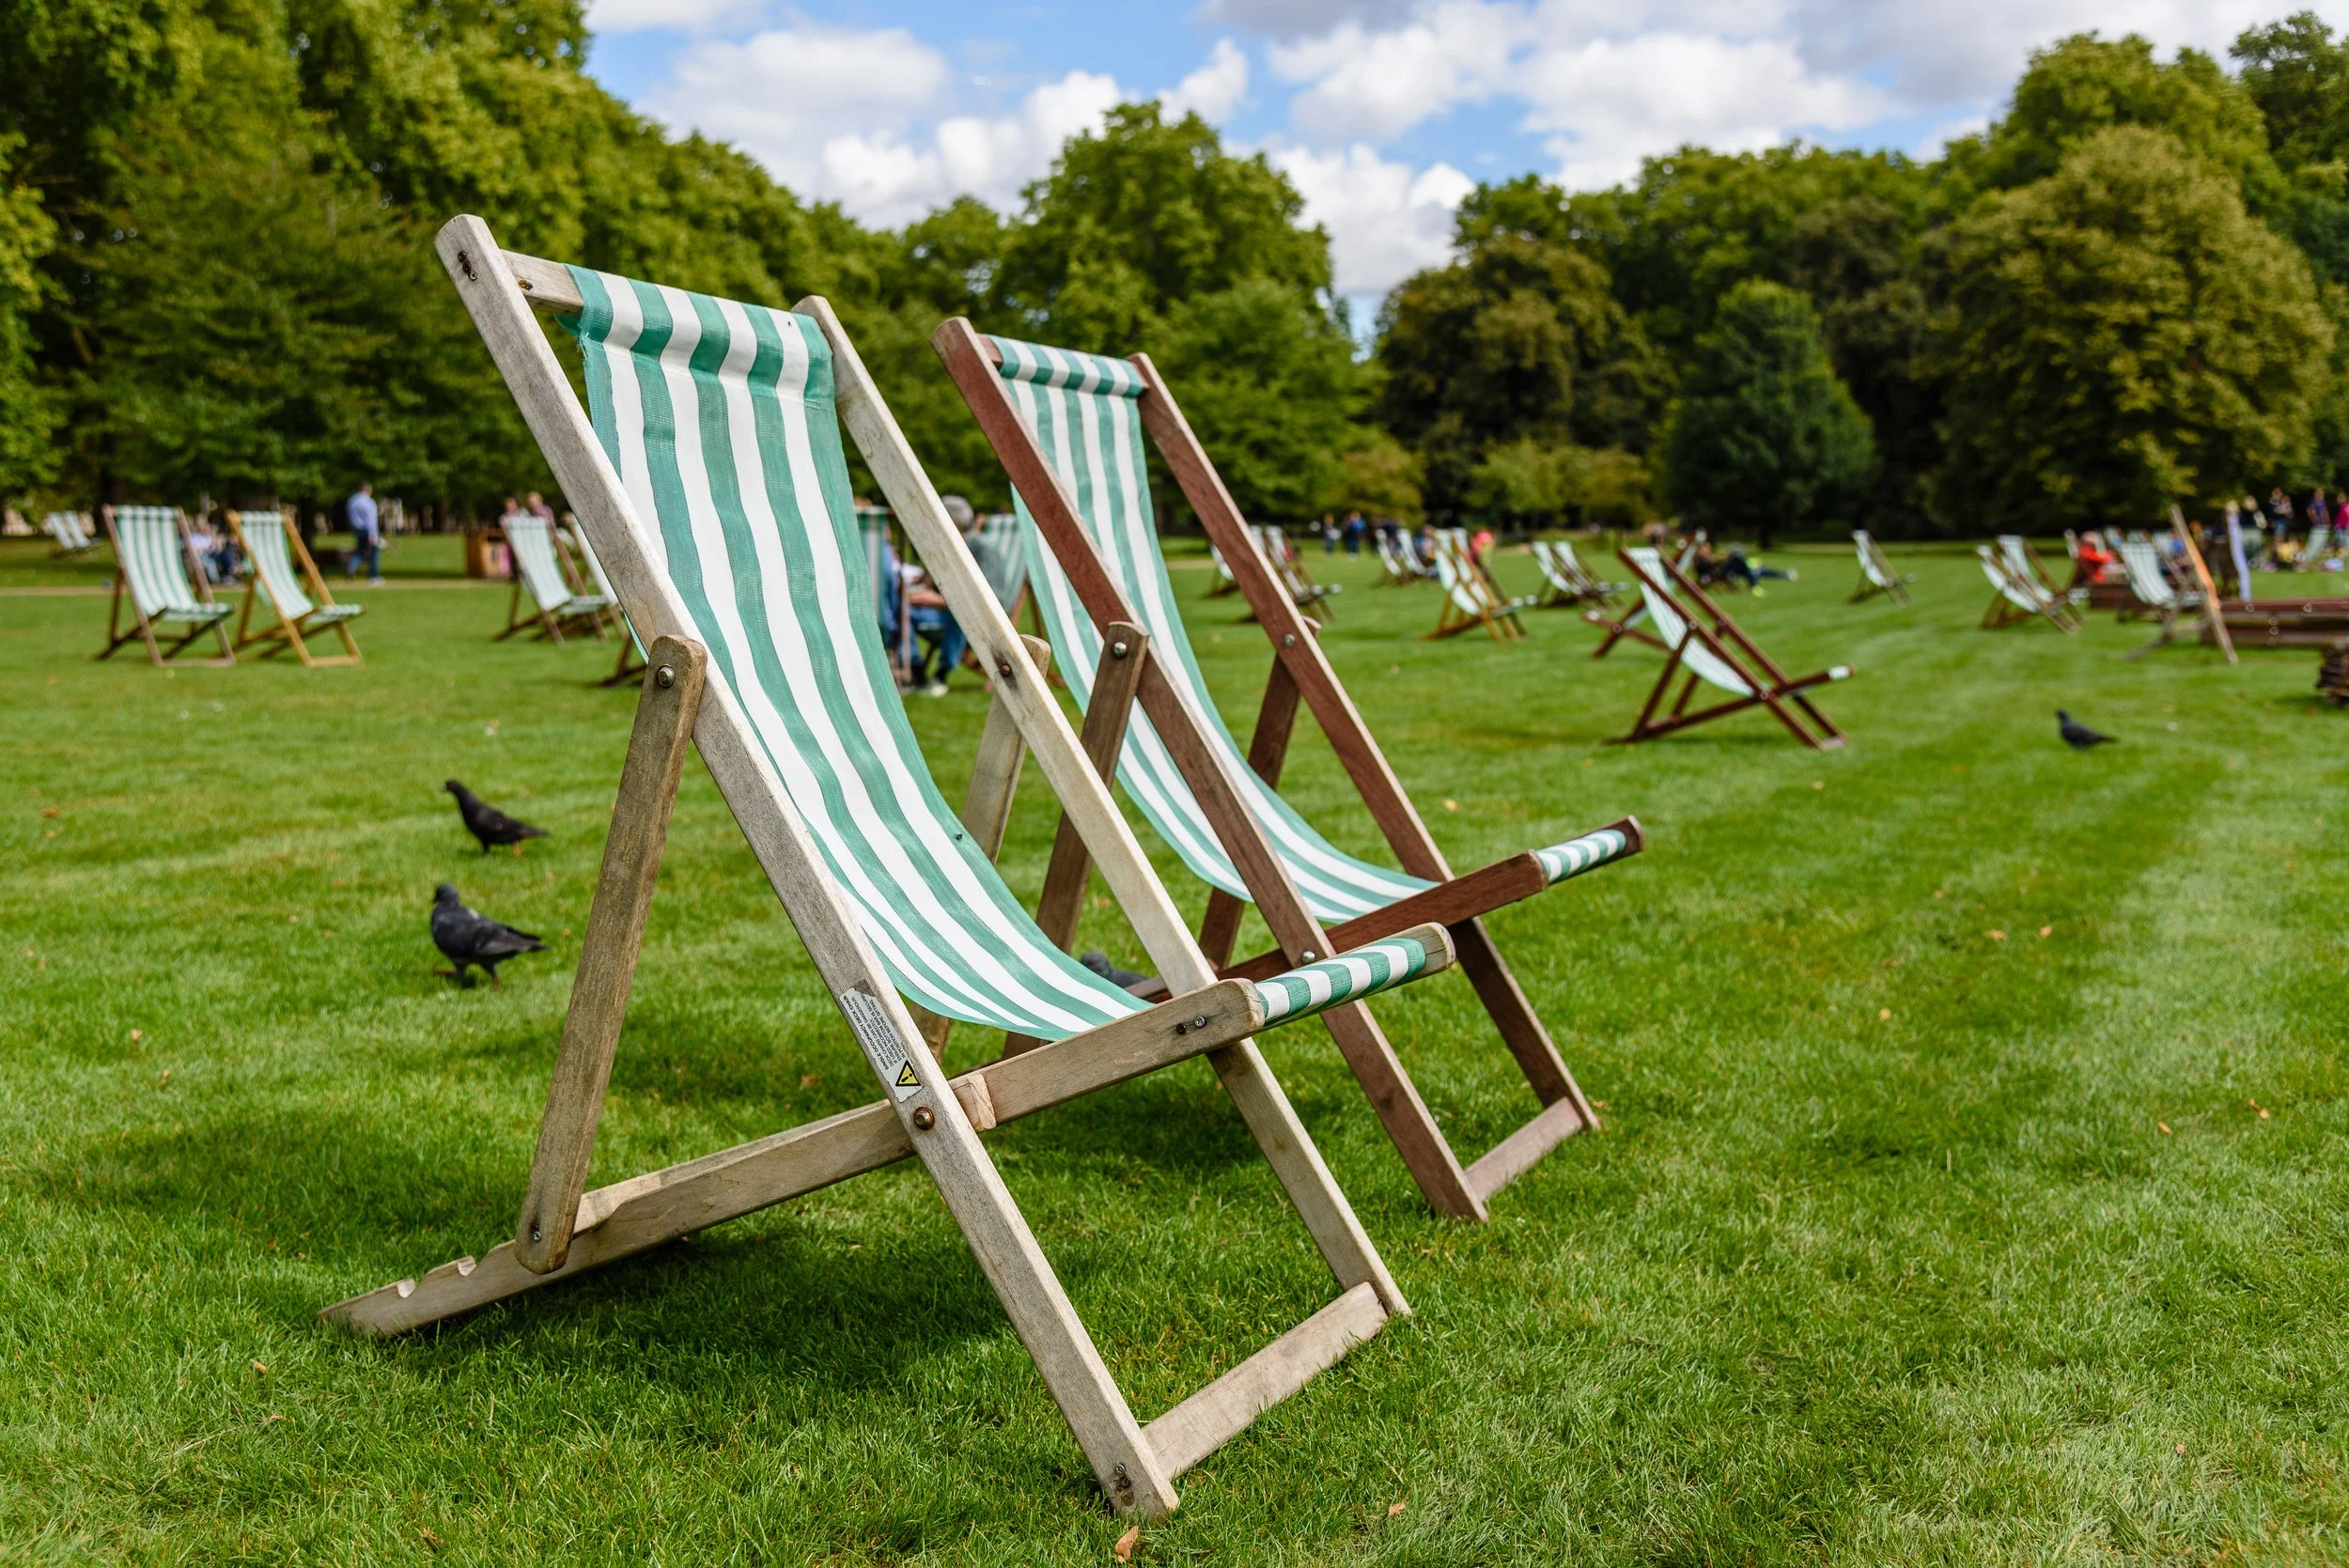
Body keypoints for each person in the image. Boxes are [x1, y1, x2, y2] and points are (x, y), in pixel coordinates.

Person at [346, 481, 382, 584]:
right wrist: (373, 534)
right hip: (368, 530)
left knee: (360, 552)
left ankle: (351, 566)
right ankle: (373, 576)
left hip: (357, 530)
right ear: (367, 489)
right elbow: (371, 519)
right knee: (373, 553)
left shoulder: (352, 501)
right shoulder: (368, 502)